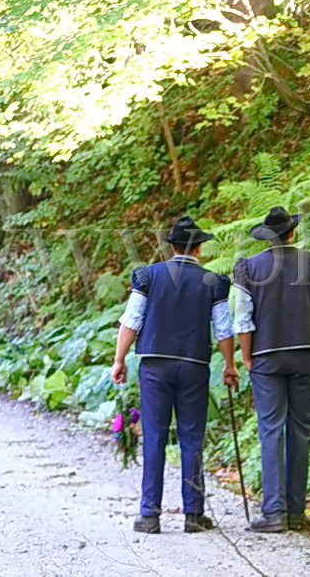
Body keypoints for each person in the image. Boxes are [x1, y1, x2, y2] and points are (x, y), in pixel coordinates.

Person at [233, 206, 310, 533]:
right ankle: (297, 513)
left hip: (266, 358)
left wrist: (247, 357)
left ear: (267, 238)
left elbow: (243, 320)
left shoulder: (249, 269)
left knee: (271, 429)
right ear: (292, 234)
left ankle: (273, 512)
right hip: (306, 354)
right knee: (301, 430)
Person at [111, 216, 238, 534]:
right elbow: (223, 328)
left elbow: (131, 321)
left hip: (154, 365)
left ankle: (149, 515)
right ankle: (194, 514)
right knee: (192, 436)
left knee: (153, 435)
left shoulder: (148, 276)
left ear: (173, 247)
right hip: (194, 365)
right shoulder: (213, 282)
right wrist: (230, 365)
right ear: (199, 248)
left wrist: (119, 360)